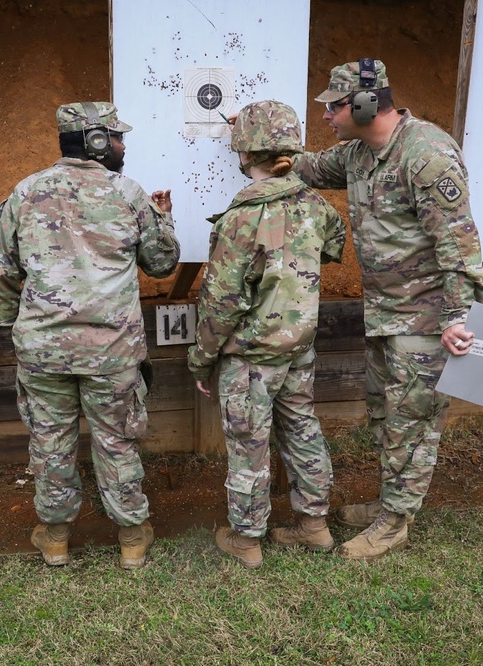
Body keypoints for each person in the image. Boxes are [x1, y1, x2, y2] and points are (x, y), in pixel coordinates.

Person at [292, 59, 483, 561]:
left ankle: (395, 522)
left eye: (334, 106)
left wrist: (460, 317)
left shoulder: (427, 154)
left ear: (363, 104)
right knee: (385, 414)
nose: (328, 116)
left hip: (427, 320)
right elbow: (311, 167)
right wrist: (257, 142)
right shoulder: (360, 153)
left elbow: (459, 245)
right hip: (385, 313)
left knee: (412, 422)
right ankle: (390, 501)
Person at [0, 101, 180, 569]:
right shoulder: (129, 194)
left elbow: (1, 274)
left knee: (50, 443)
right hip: (111, 353)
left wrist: (16, 328)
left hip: (44, 354)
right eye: (117, 137)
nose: (123, 145)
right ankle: (132, 537)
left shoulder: (25, 193)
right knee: (116, 441)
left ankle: (54, 539)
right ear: (96, 141)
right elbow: (162, 263)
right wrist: (164, 219)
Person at [187, 100, 346, 569]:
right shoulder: (317, 207)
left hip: (252, 355)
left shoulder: (242, 217)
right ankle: (314, 526)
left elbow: (221, 302)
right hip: (299, 346)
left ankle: (247, 539)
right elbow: (332, 247)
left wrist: (202, 358)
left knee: (248, 443)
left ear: (243, 153)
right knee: (301, 429)